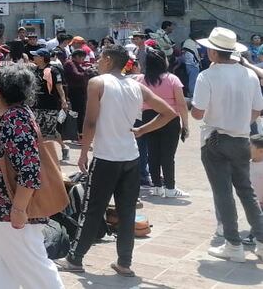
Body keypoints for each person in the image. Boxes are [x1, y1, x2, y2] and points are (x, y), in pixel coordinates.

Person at [56, 44, 178, 277]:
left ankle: (75, 258)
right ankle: (124, 262)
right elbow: (169, 113)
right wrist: (142, 130)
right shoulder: (136, 86)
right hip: (130, 157)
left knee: (93, 209)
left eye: (101, 57)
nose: (98, 61)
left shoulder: (98, 83)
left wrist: (83, 152)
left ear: (110, 60)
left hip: (106, 157)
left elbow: (90, 122)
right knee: (127, 211)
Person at [0, 65, 65, 288]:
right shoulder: (2, 116)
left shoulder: (16, 119)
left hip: (9, 211)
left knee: (37, 273)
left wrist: (19, 210)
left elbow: (30, 169)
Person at [190, 27, 263, 262]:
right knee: (246, 191)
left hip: (216, 138)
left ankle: (233, 243)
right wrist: (239, 122)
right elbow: (257, 110)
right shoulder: (249, 74)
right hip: (241, 138)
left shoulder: (207, 76)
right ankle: (261, 240)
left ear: (212, 52)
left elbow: (198, 114)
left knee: (223, 192)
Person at [138, 49, 190, 198]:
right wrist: (185, 124)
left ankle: (157, 187)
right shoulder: (172, 79)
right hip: (169, 117)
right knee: (168, 155)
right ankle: (170, 188)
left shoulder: (141, 80)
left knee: (152, 153)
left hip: (148, 117)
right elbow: (181, 104)